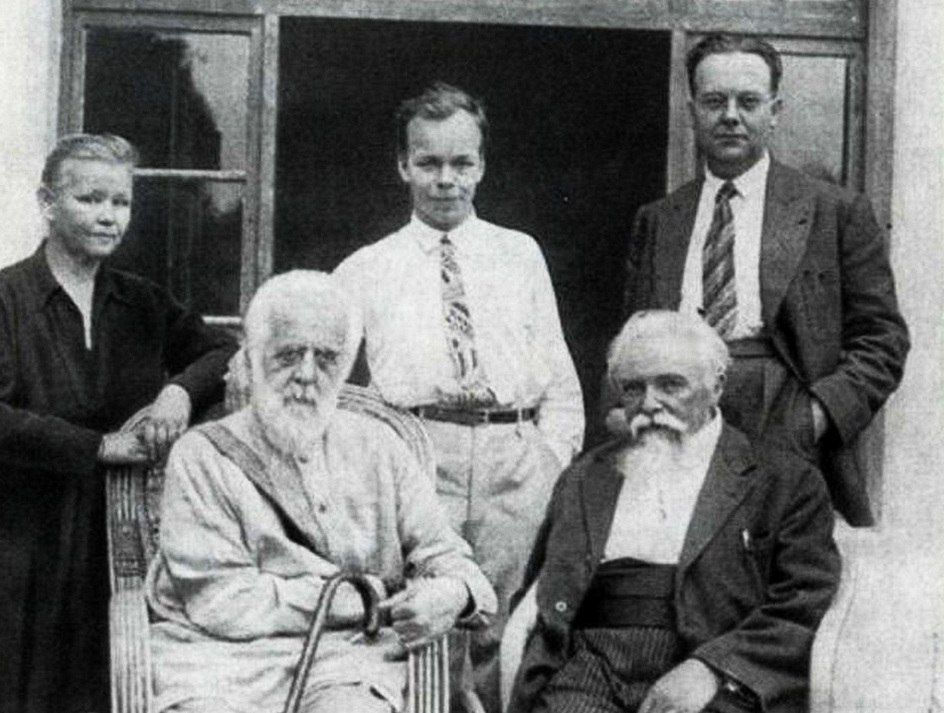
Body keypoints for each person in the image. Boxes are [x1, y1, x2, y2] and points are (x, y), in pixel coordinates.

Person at [333, 82, 584, 712]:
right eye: (428, 163)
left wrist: (549, 459)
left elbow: (558, 375)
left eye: (461, 163)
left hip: (514, 461)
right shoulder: (367, 267)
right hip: (420, 458)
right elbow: (323, 374)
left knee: (504, 628)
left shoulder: (518, 254)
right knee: (428, 623)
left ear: (481, 166)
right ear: (403, 166)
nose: (445, 179)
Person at [147, 270, 497, 713]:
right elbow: (223, 603)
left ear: (347, 365)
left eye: (327, 358)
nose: (307, 375)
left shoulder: (380, 446)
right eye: (289, 355)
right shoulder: (201, 456)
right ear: (253, 357)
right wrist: (366, 598)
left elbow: (453, 562)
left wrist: (454, 594)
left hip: (347, 660)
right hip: (216, 662)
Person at [621, 34, 909, 525]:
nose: (730, 116)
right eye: (715, 101)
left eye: (748, 102)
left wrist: (816, 416)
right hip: (679, 420)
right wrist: (628, 416)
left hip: (785, 420)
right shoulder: (660, 219)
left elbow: (882, 340)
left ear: (775, 111)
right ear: (692, 111)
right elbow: (632, 339)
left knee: (780, 559)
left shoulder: (834, 211)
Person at [0, 134, 237, 713]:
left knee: (117, 686)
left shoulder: (141, 301)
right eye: (90, 199)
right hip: (24, 541)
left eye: (121, 202)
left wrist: (179, 393)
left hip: (123, 540)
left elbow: (222, 353)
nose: (109, 215)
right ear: (48, 202)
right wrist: (96, 446)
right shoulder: (7, 298)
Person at [507, 310, 840, 713]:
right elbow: (543, 588)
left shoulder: (784, 481)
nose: (649, 403)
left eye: (670, 385)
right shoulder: (585, 477)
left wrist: (714, 669)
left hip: (710, 670)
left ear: (716, 387)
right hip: (589, 668)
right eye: (633, 388)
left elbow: (801, 604)